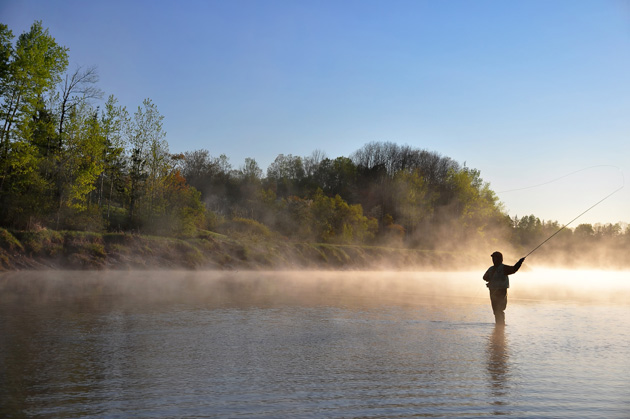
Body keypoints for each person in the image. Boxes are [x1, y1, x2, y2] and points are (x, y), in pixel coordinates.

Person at [483, 251, 525, 325]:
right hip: (493, 291)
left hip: (501, 291)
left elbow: (514, 269)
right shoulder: (491, 269)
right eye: (492, 258)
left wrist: (520, 262)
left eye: (494, 258)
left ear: (499, 259)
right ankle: (500, 327)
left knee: (499, 309)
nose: (493, 260)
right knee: (496, 310)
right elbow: (484, 277)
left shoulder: (503, 268)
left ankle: (500, 326)